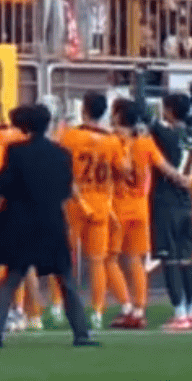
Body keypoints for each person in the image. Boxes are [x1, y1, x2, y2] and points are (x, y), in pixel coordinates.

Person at [0, 103, 97, 348]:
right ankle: (81, 332)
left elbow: (4, 185)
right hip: (52, 221)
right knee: (65, 279)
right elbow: (66, 189)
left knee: (12, 277)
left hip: (21, 221)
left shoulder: (16, 152)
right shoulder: (62, 154)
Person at [56, 91, 127, 330]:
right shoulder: (112, 140)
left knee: (64, 257)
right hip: (100, 204)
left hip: (74, 201)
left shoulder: (70, 136)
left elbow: (61, 166)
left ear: (83, 109)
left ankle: (58, 305)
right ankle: (97, 310)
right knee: (97, 261)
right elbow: (124, 170)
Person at [148, 91, 192, 329]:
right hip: (187, 204)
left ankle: (179, 312)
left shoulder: (166, 135)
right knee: (186, 260)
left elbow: (142, 111)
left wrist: (140, 79)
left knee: (170, 260)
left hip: (166, 202)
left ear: (169, 110)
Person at [109, 97, 153, 329]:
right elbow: (161, 167)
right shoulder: (145, 142)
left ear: (118, 116)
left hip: (118, 208)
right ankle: (140, 309)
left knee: (109, 259)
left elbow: (120, 168)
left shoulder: (114, 141)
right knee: (136, 260)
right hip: (140, 207)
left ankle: (127, 307)